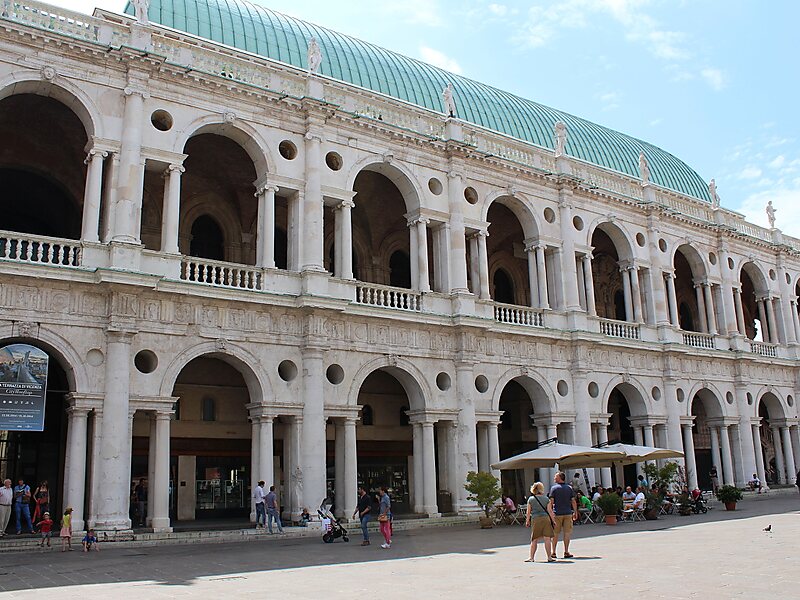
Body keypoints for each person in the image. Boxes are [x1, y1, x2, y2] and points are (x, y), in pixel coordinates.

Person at [548, 471, 578, 559]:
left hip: (557, 513)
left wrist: (550, 512)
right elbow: (573, 501)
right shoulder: (569, 488)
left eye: (555, 476)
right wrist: (575, 512)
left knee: (555, 533)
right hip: (568, 513)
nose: (554, 478)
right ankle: (566, 551)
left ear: (560, 478)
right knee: (567, 533)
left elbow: (551, 501)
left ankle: (553, 552)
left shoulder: (553, 488)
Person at [525, 482, 555, 563]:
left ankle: (531, 557)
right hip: (545, 518)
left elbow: (528, 512)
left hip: (535, 519)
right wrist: (553, 521)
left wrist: (527, 520)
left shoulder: (530, 499)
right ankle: (549, 557)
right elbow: (550, 511)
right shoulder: (546, 499)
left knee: (534, 539)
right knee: (547, 538)